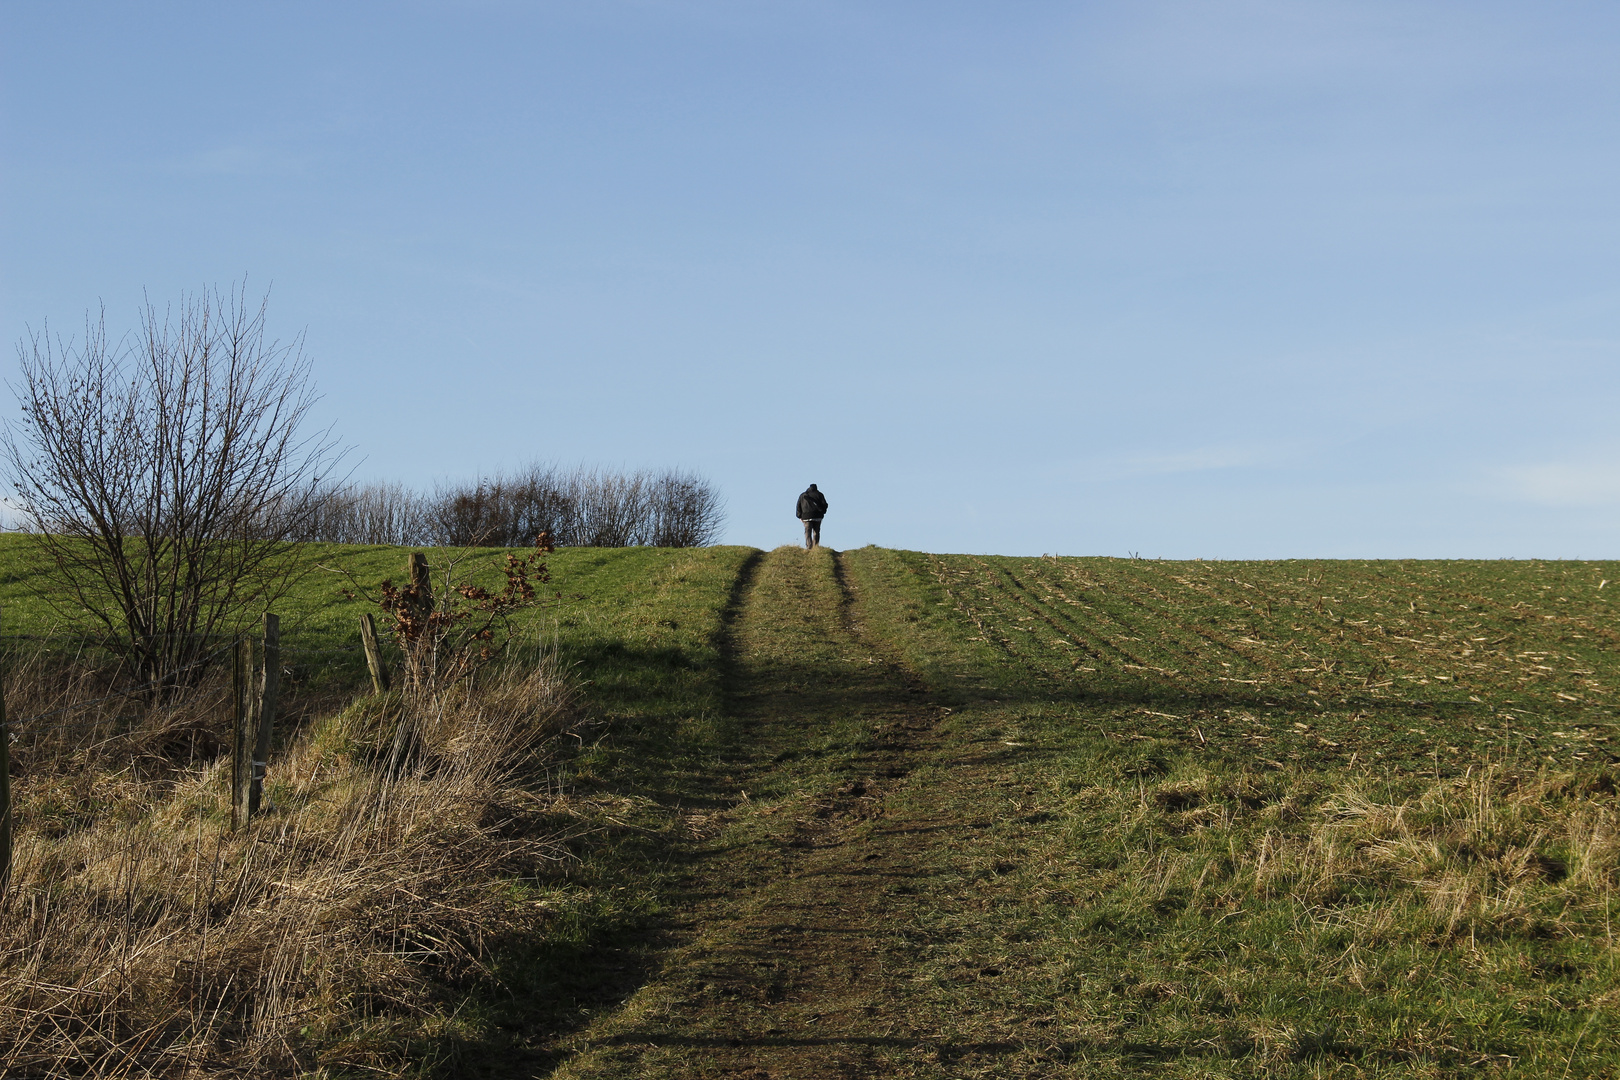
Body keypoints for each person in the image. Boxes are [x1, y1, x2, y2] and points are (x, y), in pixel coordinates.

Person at [796, 483, 827, 549]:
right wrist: (823, 513)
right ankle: (815, 546)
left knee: (807, 531)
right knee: (816, 532)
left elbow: (798, 506)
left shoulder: (803, 495)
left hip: (806, 516)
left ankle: (809, 546)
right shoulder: (820, 495)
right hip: (818, 516)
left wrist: (799, 516)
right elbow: (824, 505)